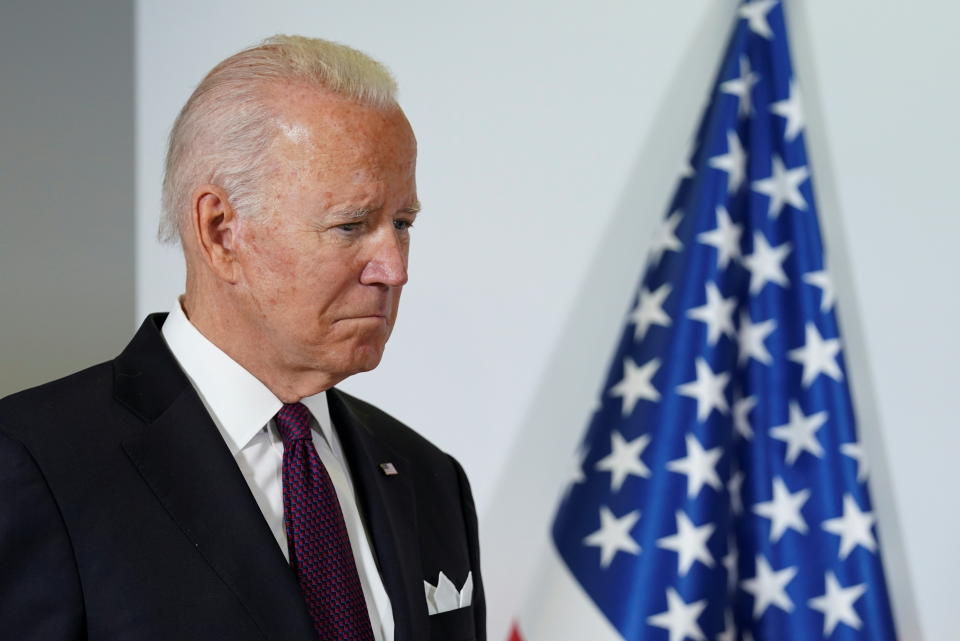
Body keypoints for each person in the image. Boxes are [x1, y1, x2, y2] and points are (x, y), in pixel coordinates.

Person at [0, 35, 484, 641]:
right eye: (351, 225)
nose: (394, 268)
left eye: (402, 224)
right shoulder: (30, 466)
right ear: (220, 230)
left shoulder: (428, 478)